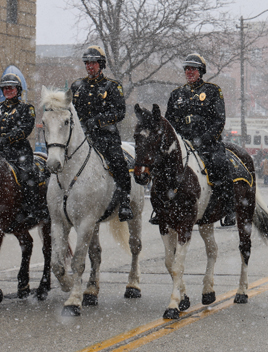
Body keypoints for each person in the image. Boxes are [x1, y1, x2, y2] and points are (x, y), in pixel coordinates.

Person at [151, 53, 235, 225]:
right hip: (183, 143)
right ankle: (159, 208)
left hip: (206, 143)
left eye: (193, 69)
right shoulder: (176, 94)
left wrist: (203, 139)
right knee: (162, 167)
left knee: (221, 163)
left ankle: (228, 206)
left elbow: (219, 120)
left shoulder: (212, 90)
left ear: (201, 71)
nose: (189, 72)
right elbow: (169, 122)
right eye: (187, 69)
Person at [70, 45, 133, 221]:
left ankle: (125, 202)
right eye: (87, 63)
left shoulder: (112, 86)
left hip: (106, 137)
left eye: (93, 63)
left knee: (119, 163)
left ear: (101, 64)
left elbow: (119, 112)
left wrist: (97, 121)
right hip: (82, 138)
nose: (90, 66)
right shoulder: (77, 86)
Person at [0, 73, 45, 226]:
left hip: (18, 153)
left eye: (11, 88)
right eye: (5, 88)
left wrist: (4, 140)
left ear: (18, 90)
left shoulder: (26, 108)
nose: (8, 90)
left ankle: (31, 211)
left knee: (29, 174)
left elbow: (25, 129)